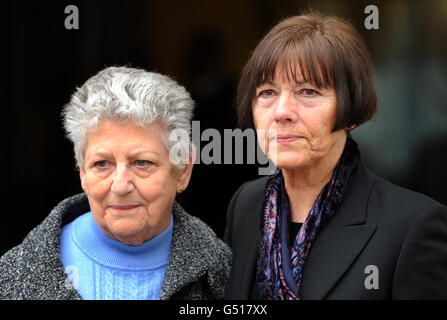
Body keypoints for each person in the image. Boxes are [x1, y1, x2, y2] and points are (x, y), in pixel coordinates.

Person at [224, 12, 447, 300]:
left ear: (350, 112)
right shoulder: (246, 205)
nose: (281, 112)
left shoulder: (412, 228)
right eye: (267, 92)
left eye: (308, 91)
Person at [0, 67, 231, 300]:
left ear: (183, 170)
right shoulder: (11, 277)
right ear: (82, 172)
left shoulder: (226, 277)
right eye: (102, 164)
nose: (120, 186)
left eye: (142, 162)